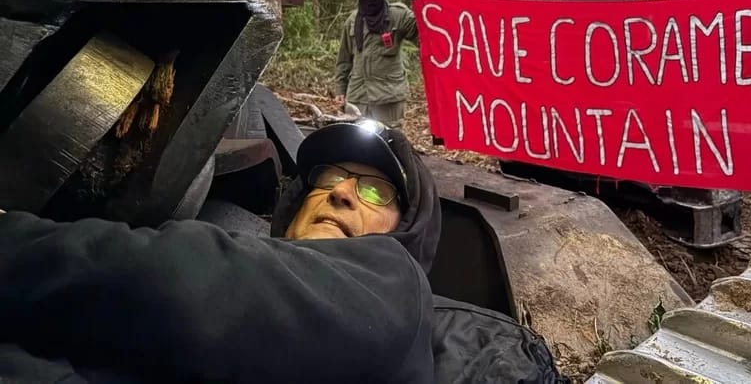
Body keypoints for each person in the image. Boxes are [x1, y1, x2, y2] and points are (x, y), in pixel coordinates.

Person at [0, 121, 440, 383]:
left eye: (374, 191)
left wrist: (13, 243)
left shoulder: (395, 284)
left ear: (408, 227)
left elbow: (182, 287)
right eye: (327, 178)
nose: (341, 191)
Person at [335, 0, 425, 127]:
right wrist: (340, 89)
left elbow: (423, 31)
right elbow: (344, 59)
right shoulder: (352, 20)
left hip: (388, 96)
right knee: (354, 143)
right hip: (358, 96)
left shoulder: (397, 15)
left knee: (389, 141)